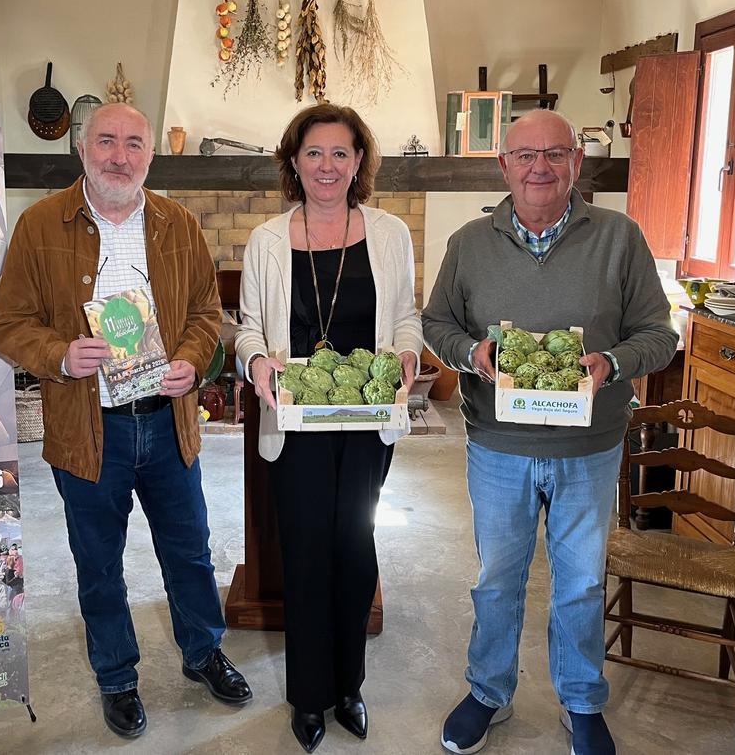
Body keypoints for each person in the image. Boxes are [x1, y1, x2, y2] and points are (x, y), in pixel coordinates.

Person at [0, 102, 250, 740]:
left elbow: (205, 314)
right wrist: (60, 355)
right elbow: (7, 326)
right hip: (88, 431)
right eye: (106, 140)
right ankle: (116, 676)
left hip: (168, 423)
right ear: (82, 148)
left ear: (149, 155)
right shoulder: (39, 224)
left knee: (189, 550)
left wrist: (192, 361)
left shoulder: (180, 224)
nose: (119, 155)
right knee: (99, 563)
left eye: (134, 143)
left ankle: (202, 651)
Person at [423, 110, 677, 755]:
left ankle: (582, 700)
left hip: (588, 448)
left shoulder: (620, 237)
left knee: (582, 581)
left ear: (577, 162)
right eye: (526, 155)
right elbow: (436, 323)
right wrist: (469, 354)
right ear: (502, 165)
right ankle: (488, 691)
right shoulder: (469, 244)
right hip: (498, 447)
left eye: (555, 154)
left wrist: (613, 363)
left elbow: (659, 334)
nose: (540, 167)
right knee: (498, 578)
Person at [235, 103, 422, 753]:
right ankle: (310, 696)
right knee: (307, 553)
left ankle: (350, 687)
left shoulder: (391, 234)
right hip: (297, 421)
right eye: (314, 152)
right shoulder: (265, 240)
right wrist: (257, 361)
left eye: (341, 153)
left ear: (359, 162)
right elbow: (249, 327)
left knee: (355, 545)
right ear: (294, 161)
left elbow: (406, 318)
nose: (327, 165)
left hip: (367, 419)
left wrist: (405, 355)